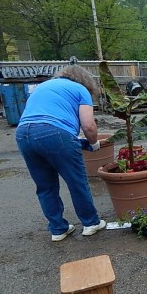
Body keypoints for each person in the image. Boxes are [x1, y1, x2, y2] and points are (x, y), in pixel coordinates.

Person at [15, 65, 106, 241]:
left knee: (45, 186)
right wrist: (94, 144)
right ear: (86, 81)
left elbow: (40, 122)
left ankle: (58, 229)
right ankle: (90, 223)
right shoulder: (80, 89)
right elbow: (88, 125)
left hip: (23, 134)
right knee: (76, 181)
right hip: (55, 132)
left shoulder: (43, 86)